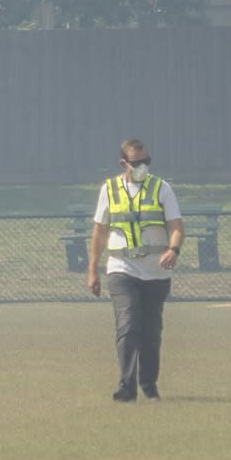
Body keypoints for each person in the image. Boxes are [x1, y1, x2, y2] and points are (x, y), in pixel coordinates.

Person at [87, 138, 184, 402]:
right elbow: (100, 232)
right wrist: (93, 270)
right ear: (123, 163)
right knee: (128, 325)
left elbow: (176, 227)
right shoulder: (109, 190)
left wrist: (173, 250)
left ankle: (148, 384)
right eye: (137, 162)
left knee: (151, 333)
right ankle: (126, 387)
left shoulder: (162, 188)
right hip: (121, 270)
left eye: (146, 162)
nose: (143, 166)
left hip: (156, 273)